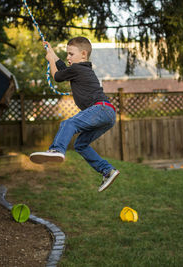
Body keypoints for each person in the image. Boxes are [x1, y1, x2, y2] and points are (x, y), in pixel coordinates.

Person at [29, 37, 119, 192]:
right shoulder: (81, 69)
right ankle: (107, 170)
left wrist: (51, 60)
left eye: (71, 54)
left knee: (68, 124)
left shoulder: (78, 69)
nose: (68, 57)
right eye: (67, 54)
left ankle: (57, 149)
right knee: (80, 145)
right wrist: (52, 53)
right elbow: (63, 68)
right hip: (108, 114)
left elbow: (57, 76)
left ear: (83, 54)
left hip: (101, 109)